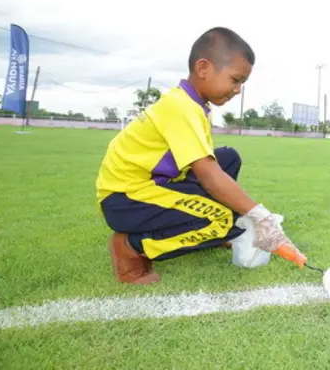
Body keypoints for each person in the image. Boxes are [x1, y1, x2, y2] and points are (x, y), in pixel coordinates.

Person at [96, 27, 300, 284]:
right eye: (235, 80)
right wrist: (260, 216)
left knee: (228, 158)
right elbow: (207, 173)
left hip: (146, 187)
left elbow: (209, 165)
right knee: (224, 219)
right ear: (203, 68)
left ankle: (206, 233)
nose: (238, 90)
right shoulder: (181, 107)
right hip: (127, 200)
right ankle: (131, 247)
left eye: (242, 83)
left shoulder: (192, 105)